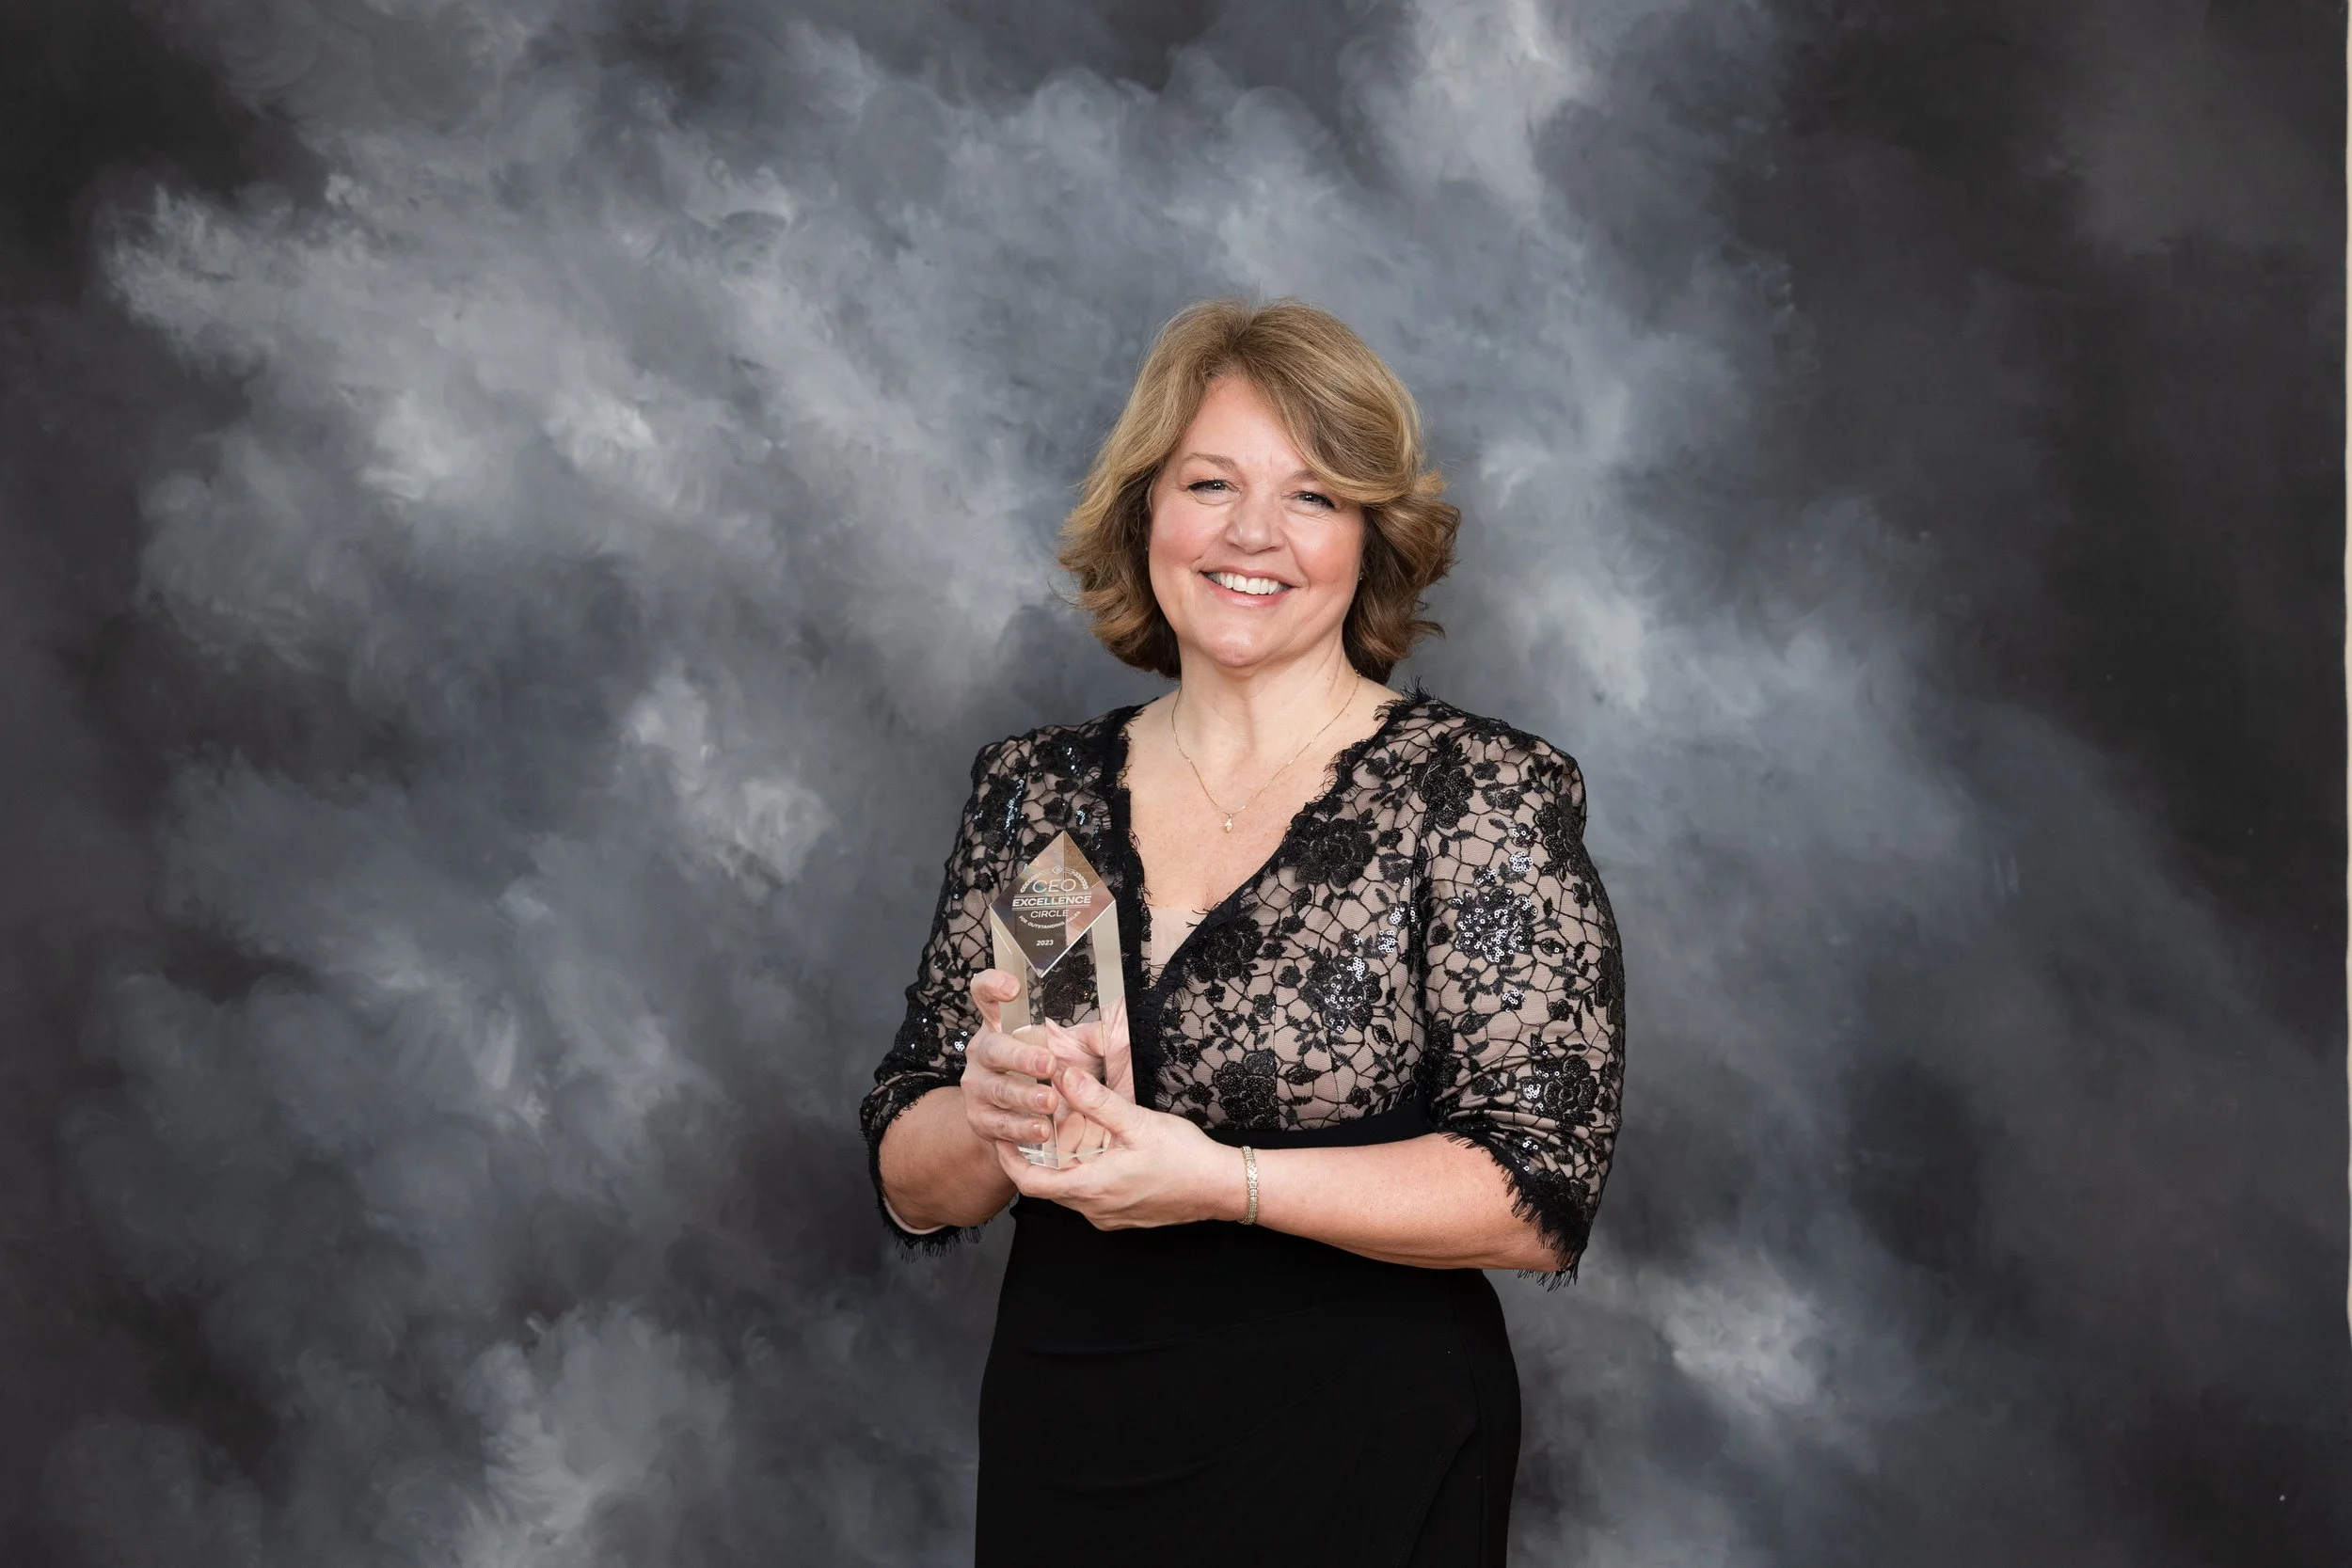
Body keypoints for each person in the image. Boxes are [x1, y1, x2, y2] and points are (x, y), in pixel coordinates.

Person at [859, 298, 1627, 1567]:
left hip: (1361, 1452)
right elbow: (911, 1172)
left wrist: (1223, 1181)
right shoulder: (1046, 797)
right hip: (1074, 1440)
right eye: (1210, 482)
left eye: (1314, 495)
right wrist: (990, 1113)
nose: (1253, 534)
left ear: (1373, 536)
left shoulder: (1470, 793)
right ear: (1146, 510)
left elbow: (1536, 1188)